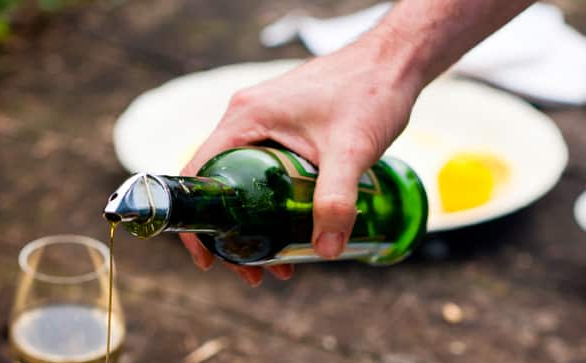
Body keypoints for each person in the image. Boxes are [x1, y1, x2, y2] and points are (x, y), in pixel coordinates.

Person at [180, 0, 535, 287]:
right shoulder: (228, 238)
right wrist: (391, 59)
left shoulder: (235, 171)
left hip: (397, 196)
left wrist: (387, 61)